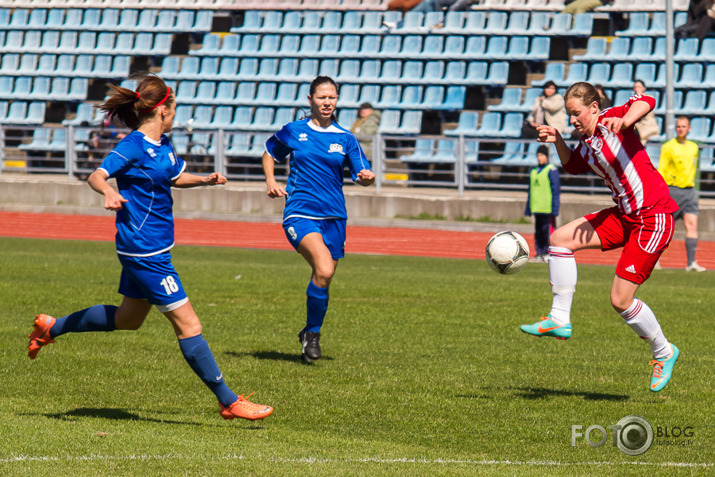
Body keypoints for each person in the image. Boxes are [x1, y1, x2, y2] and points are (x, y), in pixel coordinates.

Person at [27, 75, 273, 421]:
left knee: (128, 319)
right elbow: (96, 175)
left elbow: (174, 176)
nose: (174, 115)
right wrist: (109, 192)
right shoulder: (133, 146)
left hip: (148, 246)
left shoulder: (164, 144)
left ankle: (52, 327)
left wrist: (205, 179)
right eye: (173, 109)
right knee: (189, 325)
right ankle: (229, 401)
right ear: (162, 111)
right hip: (145, 251)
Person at [520, 81, 680, 393]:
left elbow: (647, 99)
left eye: (576, 113)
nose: (572, 120)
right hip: (625, 216)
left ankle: (664, 351)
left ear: (594, 108)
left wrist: (627, 120)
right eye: (569, 115)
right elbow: (573, 166)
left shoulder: (612, 120)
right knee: (559, 240)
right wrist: (557, 140)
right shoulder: (586, 143)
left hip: (653, 217)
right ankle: (559, 318)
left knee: (620, 300)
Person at [262, 76, 376, 363]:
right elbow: (269, 152)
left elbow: (361, 174)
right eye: (322, 97)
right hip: (300, 213)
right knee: (324, 269)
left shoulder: (345, 138)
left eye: (332, 98)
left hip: (335, 216)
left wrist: (366, 178)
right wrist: (271, 181)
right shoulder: (294, 131)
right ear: (310, 99)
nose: (327, 102)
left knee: (324, 277)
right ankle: (313, 336)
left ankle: (310, 332)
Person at [658, 116, 706, 272]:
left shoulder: (694, 147)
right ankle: (654, 260)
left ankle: (691, 263)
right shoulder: (668, 147)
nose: (681, 129)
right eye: (678, 126)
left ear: (689, 128)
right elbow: (662, 170)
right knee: (666, 228)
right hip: (673, 191)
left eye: (684, 126)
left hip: (690, 191)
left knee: (692, 225)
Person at [525, 145, 560, 263]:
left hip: (547, 207)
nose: (539, 158)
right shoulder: (533, 171)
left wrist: (555, 209)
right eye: (538, 155)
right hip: (537, 206)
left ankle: (548, 252)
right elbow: (530, 191)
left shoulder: (551, 170)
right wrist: (528, 208)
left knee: (547, 232)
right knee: (538, 231)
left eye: (542, 155)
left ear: (546, 156)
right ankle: (539, 253)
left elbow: (556, 191)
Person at [632, 80, 659, 145]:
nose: (637, 89)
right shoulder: (633, 100)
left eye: (639, 87)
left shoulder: (648, 98)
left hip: (648, 126)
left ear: (644, 88)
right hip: (639, 125)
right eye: (635, 87)